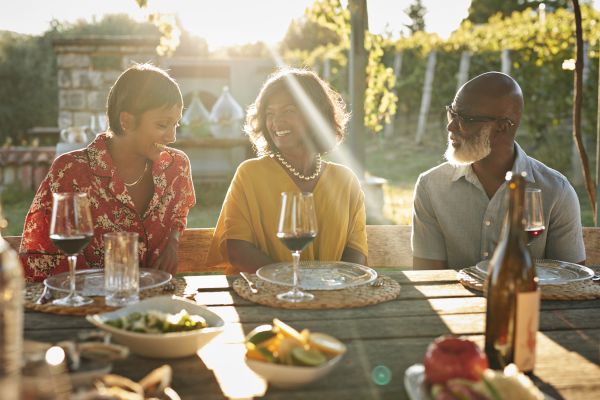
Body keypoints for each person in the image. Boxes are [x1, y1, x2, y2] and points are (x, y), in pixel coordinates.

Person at [20, 63, 195, 281]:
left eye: (176, 124)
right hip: (86, 305)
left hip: (156, 304)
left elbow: (179, 212)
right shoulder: (70, 171)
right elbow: (43, 255)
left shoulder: (177, 167)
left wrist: (173, 243)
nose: (172, 137)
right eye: (162, 125)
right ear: (126, 121)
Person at [411, 71, 585, 270]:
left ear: (502, 127)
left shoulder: (556, 191)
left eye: (465, 118)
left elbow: (571, 282)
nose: (451, 126)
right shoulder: (430, 187)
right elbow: (428, 280)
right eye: (452, 112)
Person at [207, 68, 367, 274]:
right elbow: (236, 248)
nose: (276, 122)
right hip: (264, 297)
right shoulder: (250, 174)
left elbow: (356, 250)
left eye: (289, 111)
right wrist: (293, 282)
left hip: (331, 297)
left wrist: (332, 285)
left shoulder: (345, 180)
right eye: (270, 113)